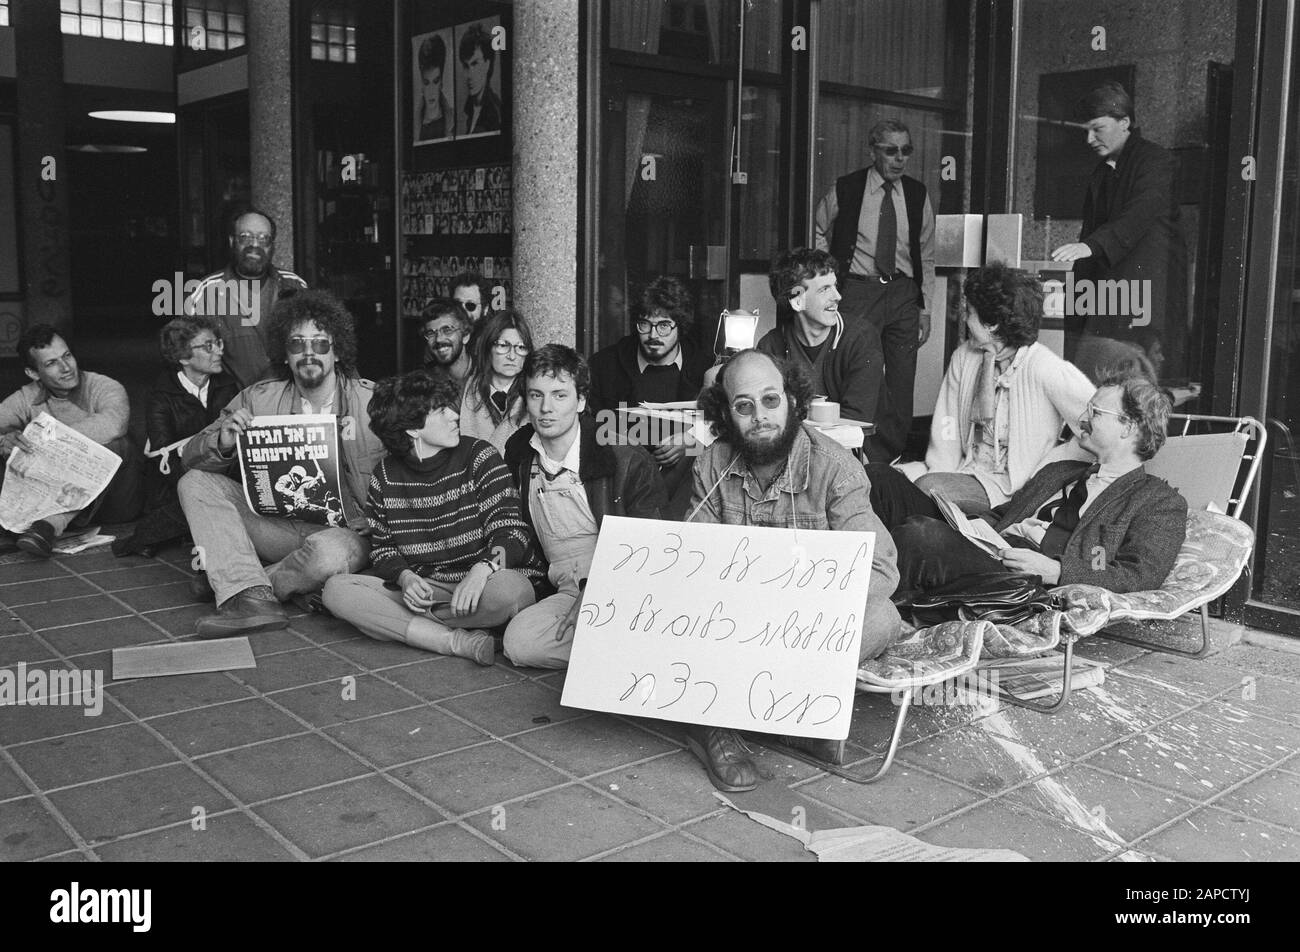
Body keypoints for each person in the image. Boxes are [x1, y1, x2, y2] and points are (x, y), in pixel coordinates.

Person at [684, 350, 904, 791]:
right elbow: (693, 564)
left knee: (883, 618)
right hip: (735, 619)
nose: (760, 416)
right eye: (743, 406)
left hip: (809, 621)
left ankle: (759, 709)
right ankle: (727, 724)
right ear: (726, 414)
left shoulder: (837, 468)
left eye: (770, 400)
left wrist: (798, 610)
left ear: (793, 400)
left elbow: (882, 568)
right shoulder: (711, 463)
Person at [179, 290, 385, 637]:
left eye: (320, 344)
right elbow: (190, 456)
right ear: (284, 354)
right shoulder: (259, 398)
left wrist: (379, 517)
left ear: (337, 352)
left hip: (347, 532)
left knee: (327, 557)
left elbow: (413, 471)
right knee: (195, 483)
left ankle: (241, 586)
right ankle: (257, 596)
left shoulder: (373, 402)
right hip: (276, 526)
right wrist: (224, 439)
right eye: (296, 344)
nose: (308, 354)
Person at [892, 374, 1187, 599]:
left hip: (1023, 580)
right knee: (884, 481)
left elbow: (1138, 576)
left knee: (920, 534)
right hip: (989, 549)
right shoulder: (1060, 472)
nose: (1082, 419)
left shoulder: (1156, 501)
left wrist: (1056, 571)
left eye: (1095, 413)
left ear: (1128, 427)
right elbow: (1002, 516)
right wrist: (965, 525)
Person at [323, 371, 543, 665]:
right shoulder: (385, 476)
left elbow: (511, 530)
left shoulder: (479, 456)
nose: (455, 416)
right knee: (337, 591)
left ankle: (405, 626)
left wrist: (484, 569)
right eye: (442, 411)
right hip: (432, 589)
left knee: (512, 594)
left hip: (487, 582)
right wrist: (406, 578)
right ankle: (453, 640)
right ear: (413, 429)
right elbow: (384, 549)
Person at [868, 263, 1095, 519]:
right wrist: (937, 471)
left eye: (971, 313)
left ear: (993, 324)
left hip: (1009, 489)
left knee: (926, 488)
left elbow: (1100, 427)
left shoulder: (1045, 367)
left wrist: (1051, 465)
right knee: (876, 478)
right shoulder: (965, 357)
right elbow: (948, 424)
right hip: (962, 471)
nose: (965, 320)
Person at [501, 345, 668, 669]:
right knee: (519, 643)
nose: (546, 408)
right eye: (536, 395)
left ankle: (628, 647)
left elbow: (653, 550)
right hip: (564, 588)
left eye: (559, 395)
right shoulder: (520, 452)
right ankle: (624, 653)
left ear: (580, 400)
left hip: (623, 585)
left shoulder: (625, 458)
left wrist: (597, 593)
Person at [814, 118, 936, 457]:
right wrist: (827, 278)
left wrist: (925, 308)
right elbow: (819, 229)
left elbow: (926, 253)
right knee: (854, 369)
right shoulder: (848, 187)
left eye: (906, 151)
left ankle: (890, 457)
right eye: (891, 151)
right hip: (857, 290)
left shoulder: (916, 194)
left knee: (901, 380)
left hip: (902, 294)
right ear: (873, 152)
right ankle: (850, 452)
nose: (900, 159)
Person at [1051, 82, 1188, 383]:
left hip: (1144, 299)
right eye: (1085, 130)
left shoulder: (1156, 160)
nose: (1089, 139)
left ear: (1124, 122)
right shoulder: (1101, 172)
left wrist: (1090, 247)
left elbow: (1139, 213)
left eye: (1097, 128)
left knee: (1139, 383)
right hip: (1112, 298)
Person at [0, 324, 143, 557]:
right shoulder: (27, 397)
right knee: (12, 447)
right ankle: (28, 524)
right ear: (33, 373)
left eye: (66, 356)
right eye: (51, 363)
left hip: (116, 504)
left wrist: (43, 439)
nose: (66, 368)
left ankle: (50, 524)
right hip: (53, 501)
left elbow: (113, 424)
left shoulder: (104, 386)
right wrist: (4, 440)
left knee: (116, 445)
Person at [588, 276, 713, 516]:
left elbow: (726, 418)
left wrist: (693, 438)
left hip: (687, 495)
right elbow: (590, 426)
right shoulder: (605, 366)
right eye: (644, 324)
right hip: (622, 490)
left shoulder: (703, 366)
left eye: (664, 325)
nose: (653, 335)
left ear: (680, 325)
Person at [757, 248, 892, 461]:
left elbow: (856, 421)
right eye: (824, 289)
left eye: (835, 286)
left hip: (859, 455)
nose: (837, 297)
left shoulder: (861, 338)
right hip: (790, 455)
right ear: (796, 299)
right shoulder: (770, 346)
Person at [124, 317, 241, 556]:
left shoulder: (229, 386)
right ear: (183, 357)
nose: (219, 351)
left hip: (223, 470)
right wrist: (199, 486)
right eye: (208, 346)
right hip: (176, 480)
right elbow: (163, 457)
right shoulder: (161, 394)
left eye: (217, 343)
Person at [185, 207, 308, 389]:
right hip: (234, 407)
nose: (255, 245)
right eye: (245, 237)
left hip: (290, 404)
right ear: (232, 241)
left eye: (263, 238)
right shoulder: (205, 292)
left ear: (272, 245)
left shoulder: (296, 287)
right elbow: (187, 360)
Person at [458, 307, 533, 454]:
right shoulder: (463, 392)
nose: (512, 356)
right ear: (488, 347)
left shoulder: (535, 395)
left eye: (521, 347)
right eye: (503, 346)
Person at [419, 297, 473, 394]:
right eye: (431, 333)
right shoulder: (424, 382)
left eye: (447, 330)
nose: (439, 339)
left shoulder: (488, 375)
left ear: (465, 336)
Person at [459, 23, 502, 135]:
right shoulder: (469, 109)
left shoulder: (495, 111)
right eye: (466, 66)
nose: (469, 74)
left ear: (487, 64)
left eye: (475, 63)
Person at [417, 34, 453, 141]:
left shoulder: (452, 119)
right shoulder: (414, 122)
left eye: (436, 81)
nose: (431, 91)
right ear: (422, 84)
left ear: (441, 81)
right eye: (426, 82)